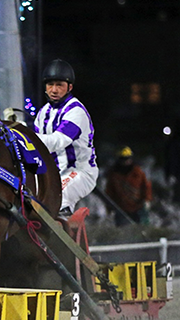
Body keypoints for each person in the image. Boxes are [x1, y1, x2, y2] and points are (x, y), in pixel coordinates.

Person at [33, 59, 98, 216]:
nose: (54, 90)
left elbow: (57, 141)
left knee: (57, 200)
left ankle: (66, 230)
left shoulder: (76, 112)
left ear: (69, 87)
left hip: (79, 172)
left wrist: (25, 137)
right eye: (50, 85)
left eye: (59, 85)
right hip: (51, 174)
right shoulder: (43, 113)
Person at [105, 146, 152, 226]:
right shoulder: (114, 174)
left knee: (141, 228)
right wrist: (109, 207)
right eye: (123, 159)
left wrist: (147, 199)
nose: (126, 162)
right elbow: (110, 191)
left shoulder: (138, 172)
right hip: (121, 209)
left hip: (138, 207)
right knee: (122, 230)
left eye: (127, 159)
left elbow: (146, 186)